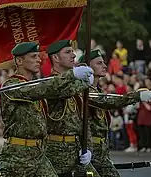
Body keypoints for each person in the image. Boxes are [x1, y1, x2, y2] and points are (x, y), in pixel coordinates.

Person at [0, 42, 94, 177]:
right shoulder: (11, 85)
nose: (38, 60)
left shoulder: (38, 84)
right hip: (18, 155)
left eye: (38, 56)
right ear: (19, 61)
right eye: (33, 57)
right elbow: (39, 90)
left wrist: (83, 82)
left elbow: (59, 90)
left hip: (39, 154)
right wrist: (72, 75)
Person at [78, 49, 151, 177]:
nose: (104, 66)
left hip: (101, 151)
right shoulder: (84, 90)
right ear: (87, 66)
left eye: (103, 62)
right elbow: (107, 101)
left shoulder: (98, 90)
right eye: (99, 63)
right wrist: (135, 96)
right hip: (88, 152)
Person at [45, 40, 99, 177]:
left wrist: (88, 148)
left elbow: (82, 120)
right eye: (67, 52)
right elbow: (61, 90)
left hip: (76, 151)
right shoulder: (49, 84)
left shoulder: (75, 85)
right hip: (55, 154)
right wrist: (83, 82)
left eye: (72, 51)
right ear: (55, 58)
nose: (74, 55)